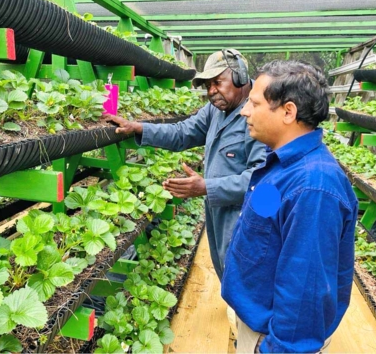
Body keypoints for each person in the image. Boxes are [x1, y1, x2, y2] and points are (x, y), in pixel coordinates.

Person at [221, 60, 358, 353]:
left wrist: (274, 348)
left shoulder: (314, 187)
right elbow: (268, 232)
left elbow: (304, 291)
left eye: (254, 103)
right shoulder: (281, 166)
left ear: (288, 112)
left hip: (273, 339)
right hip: (255, 320)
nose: (244, 111)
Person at [104, 49, 266, 280]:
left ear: (240, 77)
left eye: (217, 82)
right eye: (207, 85)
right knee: (226, 268)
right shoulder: (215, 110)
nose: (212, 91)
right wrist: (140, 127)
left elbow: (261, 180)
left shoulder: (259, 115)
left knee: (245, 274)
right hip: (217, 211)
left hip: (245, 215)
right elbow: (182, 132)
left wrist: (206, 187)